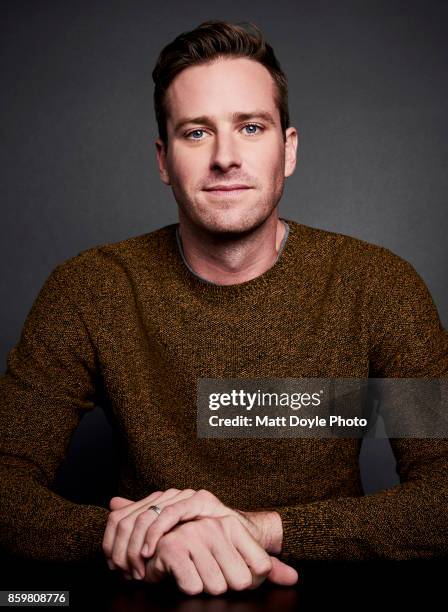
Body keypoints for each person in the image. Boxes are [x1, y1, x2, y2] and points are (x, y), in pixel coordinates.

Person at [0, 19, 447, 596]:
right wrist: (146, 540)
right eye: (196, 133)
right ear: (163, 159)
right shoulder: (92, 289)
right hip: (150, 590)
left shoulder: (377, 285)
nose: (226, 158)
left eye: (252, 126)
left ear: (287, 150)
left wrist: (260, 529)